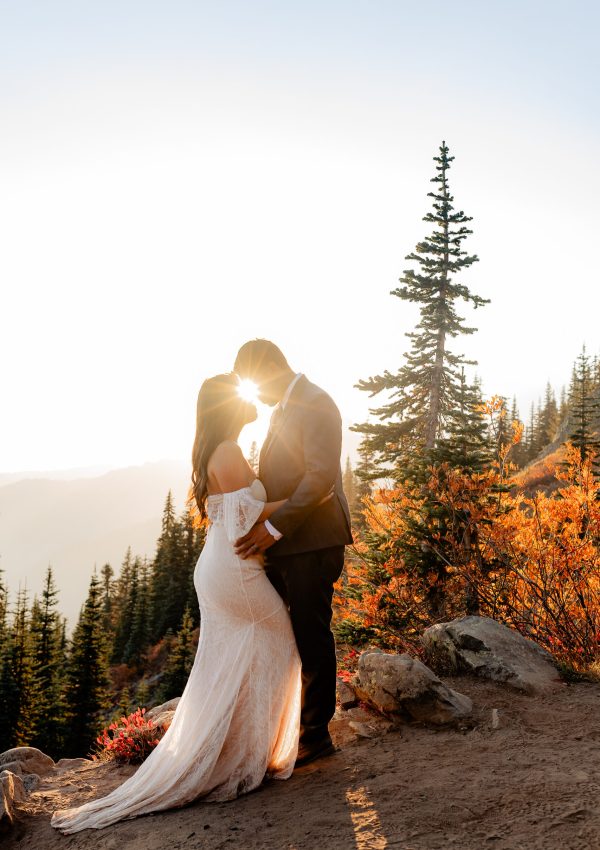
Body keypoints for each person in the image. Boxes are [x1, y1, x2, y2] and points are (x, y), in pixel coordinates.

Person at [51, 373, 304, 833]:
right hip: (235, 571)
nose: (249, 398)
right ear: (226, 406)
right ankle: (239, 758)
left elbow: (235, 510)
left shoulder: (223, 448)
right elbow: (242, 516)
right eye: (238, 391)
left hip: (224, 567)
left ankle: (236, 752)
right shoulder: (226, 450)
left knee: (236, 660)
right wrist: (301, 499)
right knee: (280, 649)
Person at [233, 339, 353, 767]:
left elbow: (320, 478)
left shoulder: (316, 402)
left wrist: (271, 527)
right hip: (288, 545)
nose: (254, 395)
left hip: (314, 542)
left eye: (252, 382)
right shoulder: (284, 407)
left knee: (311, 632)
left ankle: (316, 735)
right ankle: (289, 728)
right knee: (286, 633)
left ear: (270, 369)